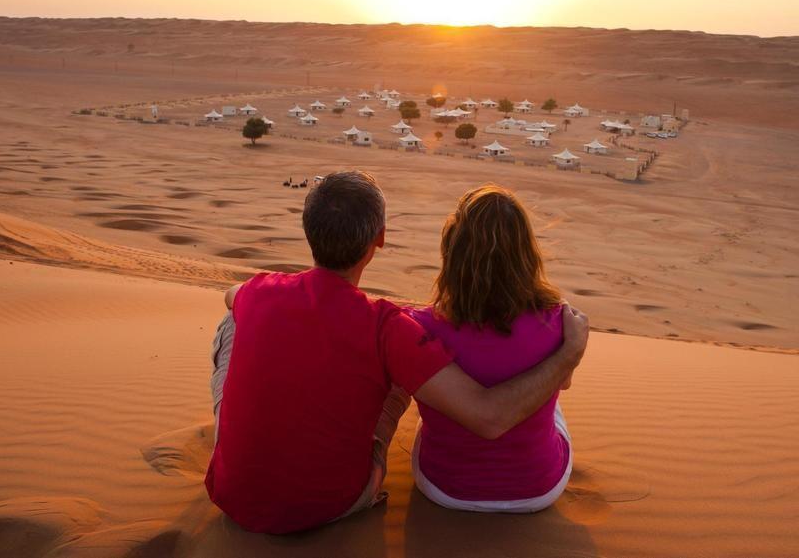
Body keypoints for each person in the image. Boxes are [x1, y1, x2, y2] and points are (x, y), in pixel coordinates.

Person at [206, 171, 589, 534]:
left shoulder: (260, 290)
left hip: (233, 497)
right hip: (337, 503)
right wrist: (569, 351)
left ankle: (248, 445)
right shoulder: (388, 326)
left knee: (231, 323)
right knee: (414, 364)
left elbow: (232, 296)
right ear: (381, 238)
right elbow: (490, 417)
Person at [408, 185, 580, 513]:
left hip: (445, 489)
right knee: (552, 395)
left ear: (452, 250)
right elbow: (563, 381)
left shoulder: (419, 326)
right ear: (527, 254)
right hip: (538, 490)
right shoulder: (560, 321)